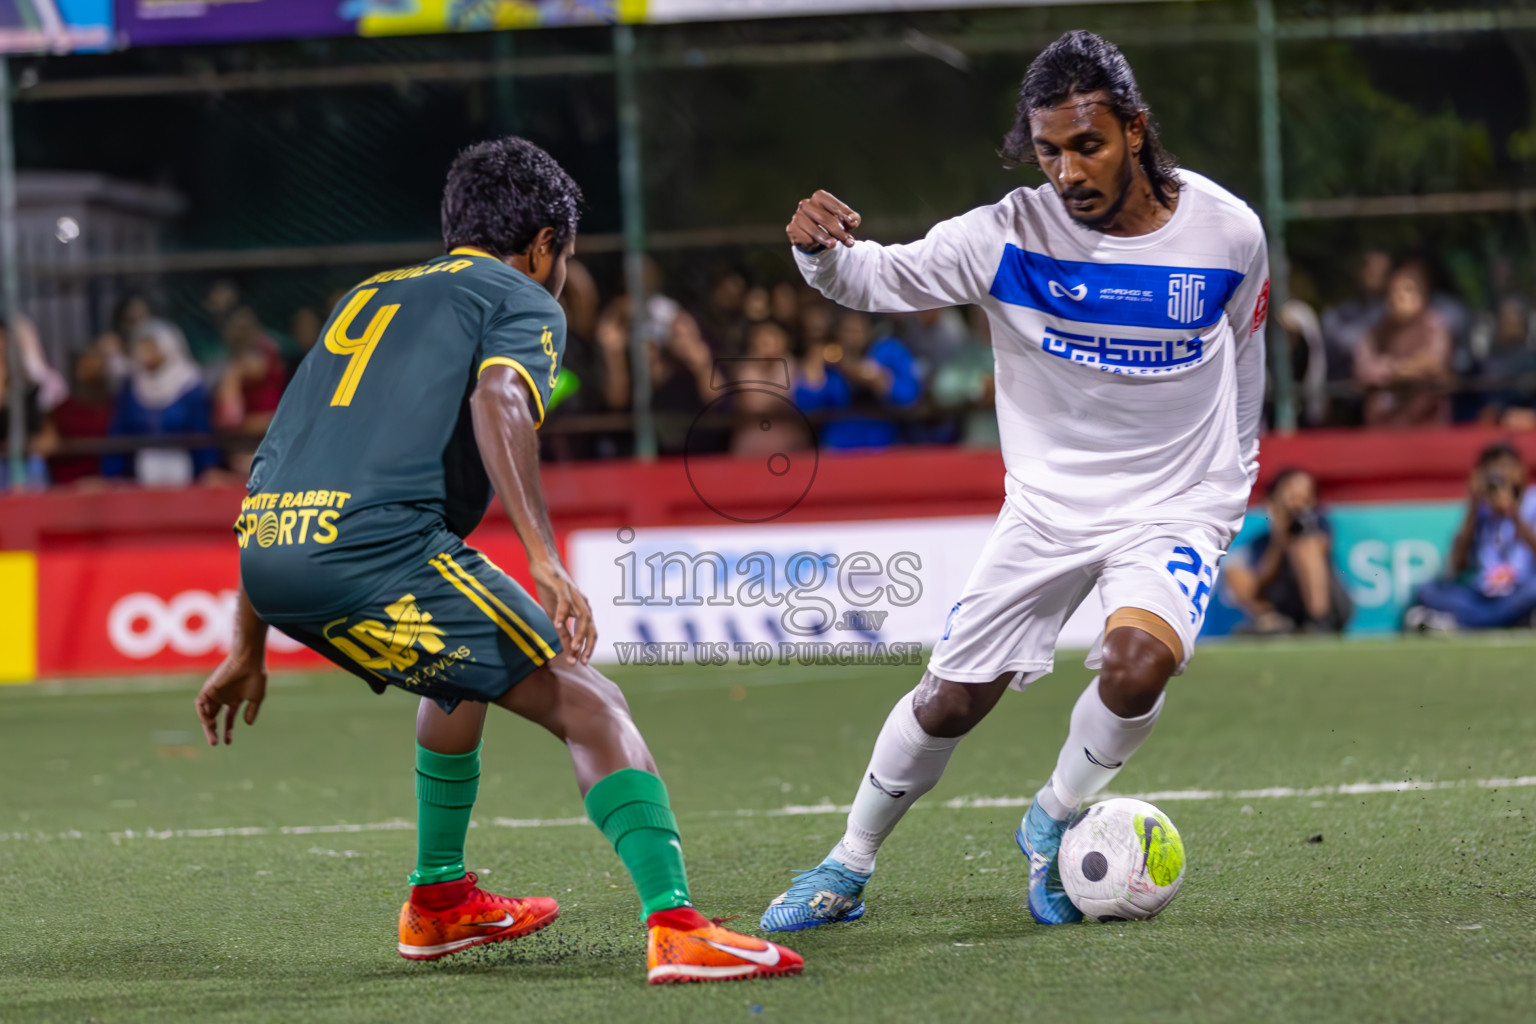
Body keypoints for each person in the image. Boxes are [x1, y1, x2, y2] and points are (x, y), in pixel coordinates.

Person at [191, 137, 802, 985]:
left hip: (273, 557)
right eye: (567, 256)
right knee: (590, 699)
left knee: (459, 675)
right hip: (376, 548)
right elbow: (500, 394)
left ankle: (439, 904)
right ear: (546, 244)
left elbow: (278, 460)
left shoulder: (367, 299)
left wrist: (247, 646)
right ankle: (678, 927)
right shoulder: (518, 294)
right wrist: (546, 561)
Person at [761, 31, 1269, 931]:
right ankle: (848, 863)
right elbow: (876, 277)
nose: (1068, 170)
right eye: (1049, 150)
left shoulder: (1228, 235)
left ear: (1137, 131)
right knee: (950, 700)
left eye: (1088, 145)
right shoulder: (1004, 235)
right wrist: (819, 254)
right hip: (1046, 510)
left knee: (1137, 663)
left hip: (1174, 507)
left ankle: (1054, 817)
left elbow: (1246, 363)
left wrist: (1230, 487)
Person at [1406, 442, 1536, 631]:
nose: (1502, 476)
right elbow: (1456, 566)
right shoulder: (1480, 509)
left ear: (1521, 470)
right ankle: (1505, 622)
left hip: (1520, 589)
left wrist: (1513, 514)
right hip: (1483, 594)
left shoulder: (1532, 501)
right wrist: (1473, 509)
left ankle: (1460, 623)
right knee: (1428, 591)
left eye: (1507, 467)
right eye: (1495, 470)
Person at [1222, 468, 1352, 634]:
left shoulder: (1319, 523)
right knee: (1234, 567)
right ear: (1272, 500)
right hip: (1284, 607)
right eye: (1291, 490)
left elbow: (1319, 547)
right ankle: (1267, 621)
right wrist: (1280, 539)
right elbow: (1261, 583)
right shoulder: (1263, 541)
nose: (1297, 498)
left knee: (1304, 546)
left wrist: (1297, 525)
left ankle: (1320, 621)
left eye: (1305, 492)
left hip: (1330, 604)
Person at [101, 320, 220, 486]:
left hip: (185, 469)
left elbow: (201, 429)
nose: (144, 353)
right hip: (141, 472)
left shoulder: (189, 385)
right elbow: (119, 432)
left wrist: (209, 467)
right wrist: (113, 475)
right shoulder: (131, 387)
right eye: (140, 347)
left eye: (150, 347)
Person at [794, 310, 921, 450]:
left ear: (869, 330)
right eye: (848, 330)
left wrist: (882, 382)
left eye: (858, 329)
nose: (853, 336)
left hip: (882, 439)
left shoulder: (888, 352)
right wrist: (814, 369)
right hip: (839, 442)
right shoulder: (830, 361)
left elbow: (910, 395)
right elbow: (806, 404)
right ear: (838, 333)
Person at [1354, 262, 1454, 428]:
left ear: (1422, 295)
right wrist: (1396, 369)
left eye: (1408, 290)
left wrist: (1412, 369)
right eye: (1393, 290)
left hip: (1426, 421)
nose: (1398, 296)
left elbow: (1435, 362)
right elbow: (1364, 368)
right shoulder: (1375, 331)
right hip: (1383, 423)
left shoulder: (1434, 326)